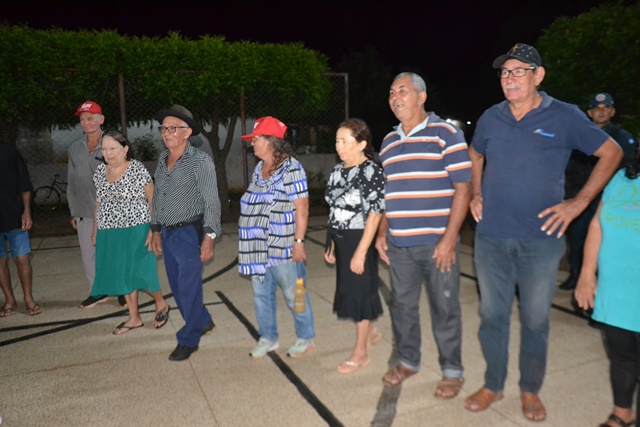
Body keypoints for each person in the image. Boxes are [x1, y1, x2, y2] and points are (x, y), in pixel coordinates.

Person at [466, 43, 623, 422]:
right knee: (492, 316)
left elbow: (612, 153)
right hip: (492, 238)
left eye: (519, 71)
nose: (510, 78)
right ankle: (493, 383)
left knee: (536, 320)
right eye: (505, 72)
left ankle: (530, 389)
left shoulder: (564, 115)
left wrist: (578, 203)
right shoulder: (491, 117)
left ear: (538, 75)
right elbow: (475, 153)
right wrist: (475, 193)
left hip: (541, 240)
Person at [375, 72, 471, 398]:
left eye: (402, 91)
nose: (395, 98)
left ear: (421, 96)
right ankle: (408, 361)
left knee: (445, 308)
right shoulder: (388, 142)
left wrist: (449, 239)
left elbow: (463, 189)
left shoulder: (446, 134)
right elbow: (388, 193)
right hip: (399, 245)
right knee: (403, 307)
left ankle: (452, 371)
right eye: (391, 93)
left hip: (437, 244)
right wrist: (382, 233)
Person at [238, 116, 316, 359]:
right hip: (257, 248)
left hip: (283, 247)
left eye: (256, 139)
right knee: (262, 296)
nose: (252, 143)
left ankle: (305, 337)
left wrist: (299, 242)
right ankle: (268, 337)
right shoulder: (259, 169)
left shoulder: (292, 168)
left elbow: (302, 207)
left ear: (271, 141)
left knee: (296, 294)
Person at [150, 105, 221, 361]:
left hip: (189, 233)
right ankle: (203, 320)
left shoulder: (201, 162)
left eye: (173, 128)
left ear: (187, 132)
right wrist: (155, 230)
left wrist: (209, 237)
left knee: (189, 289)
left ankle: (189, 339)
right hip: (168, 233)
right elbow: (158, 197)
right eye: (163, 128)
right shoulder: (162, 160)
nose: (166, 133)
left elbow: (212, 202)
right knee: (178, 288)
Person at [574, 149, 640, 427]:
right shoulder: (623, 178)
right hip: (616, 288)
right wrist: (587, 273)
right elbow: (597, 225)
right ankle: (622, 413)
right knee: (621, 355)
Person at [90, 130, 170, 334]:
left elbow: (153, 200)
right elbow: (99, 202)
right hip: (109, 232)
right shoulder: (100, 172)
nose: (108, 153)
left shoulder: (136, 169)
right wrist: (95, 229)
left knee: (140, 272)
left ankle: (160, 302)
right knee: (122, 274)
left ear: (125, 149)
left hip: (137, 230)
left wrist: (154, 229)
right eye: (104, 149)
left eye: (113, 148)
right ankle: (134, 317)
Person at [324, 118, 385, 374]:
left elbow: (375, 214)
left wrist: (361, 251)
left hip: (361, 238)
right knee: (350, 290)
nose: (339, 146)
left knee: (360, 293)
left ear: (361, 144)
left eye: (345, 141)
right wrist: (331, 242)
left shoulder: (371, 171)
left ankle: (361, 354)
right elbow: (334, 208)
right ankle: (370, 331)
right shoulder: (338, 170)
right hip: (341, 238)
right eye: (337, 141)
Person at [560, 92, 637, 290]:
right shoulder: (578, 134)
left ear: (613, 112)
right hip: (579, 193)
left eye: (606, 108)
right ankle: (576, 274)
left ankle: (600, 280)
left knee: (605, 239)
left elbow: (629, 168)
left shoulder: (623, 138)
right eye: (596, 108)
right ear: (589, 112)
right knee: (577, 237)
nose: (601, 112)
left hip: (607, 197)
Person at [68, 101, 125, 309]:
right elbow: (71, 182)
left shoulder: (112, 144)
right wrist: (73, 211)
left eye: (90, 118)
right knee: (89, 255)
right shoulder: (75, 147)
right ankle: (98, 292)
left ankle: (123, 291)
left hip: (110, 210)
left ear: (101, 119)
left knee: (113, 253)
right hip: (84, 211)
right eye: (82, 119)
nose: (86, 122)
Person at [0, 144, 41, 317]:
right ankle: (10, 300)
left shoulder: (9, 152)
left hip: (14, 216)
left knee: (22, 258)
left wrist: (26, 211)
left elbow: (24, 185)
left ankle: (28, 299)